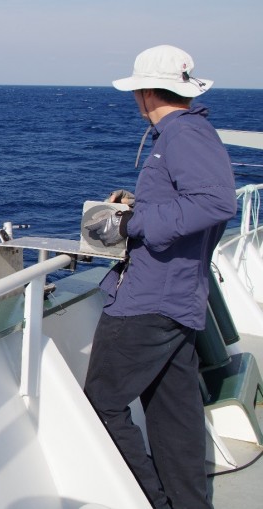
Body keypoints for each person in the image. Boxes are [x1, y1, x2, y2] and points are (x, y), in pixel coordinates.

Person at [83, 45, 237, 509]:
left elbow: (216, 203)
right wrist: (138, 204)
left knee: (101, 403)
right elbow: (191, 198)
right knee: (174, 417)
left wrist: (135, 223)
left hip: (150, 299)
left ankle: (154, 501)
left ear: (145, 91)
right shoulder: (185, 133)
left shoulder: (182, 134)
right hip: (176, 296)